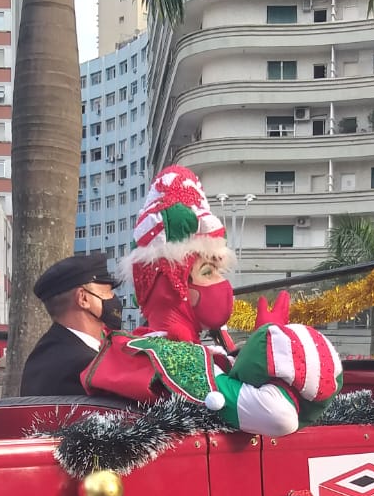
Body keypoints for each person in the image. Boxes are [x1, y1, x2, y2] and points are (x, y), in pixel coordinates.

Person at [81, 165, 342, 435]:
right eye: (208, 272)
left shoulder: (187, 348)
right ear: (172, 287)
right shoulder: (169, 355)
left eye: (219, 271)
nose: (221, 283)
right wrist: (266, 346)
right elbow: (279, 416)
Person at [20, 252, 120, 396]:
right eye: (107, 292)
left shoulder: (41, 356)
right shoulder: (88, 368)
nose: (113, 298)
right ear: (83, 298)